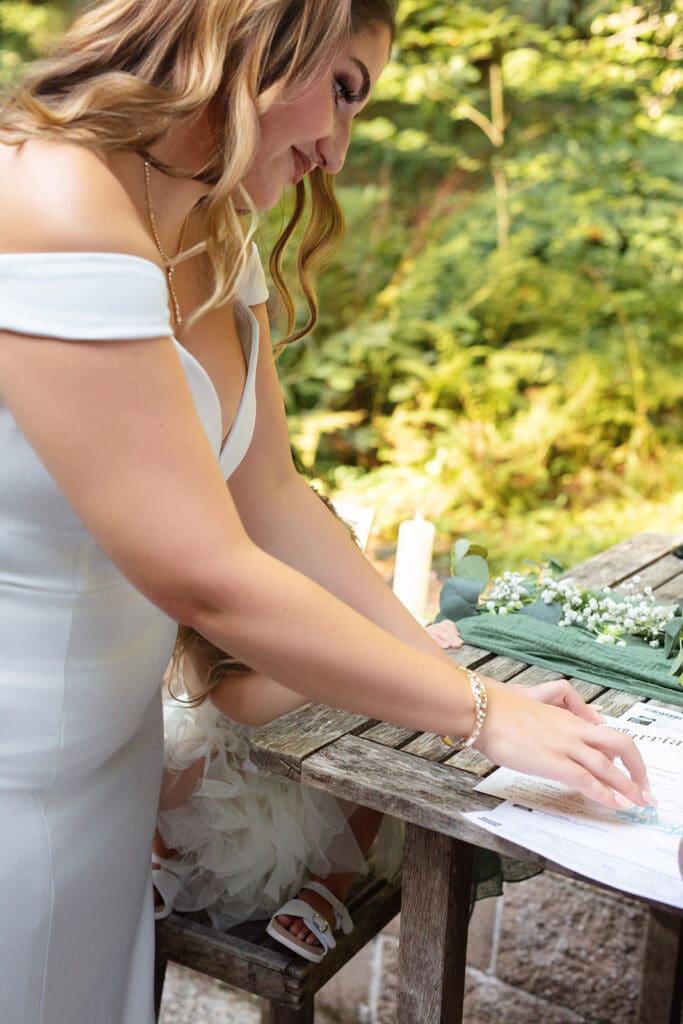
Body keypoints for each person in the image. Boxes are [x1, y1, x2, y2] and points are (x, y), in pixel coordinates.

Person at [0, 1, 652, 1021]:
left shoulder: (213, 233)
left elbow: (271, 502)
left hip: (102, 779)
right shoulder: (50, 202)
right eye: (340, 88)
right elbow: (203, 571)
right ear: (252, 32)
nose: (336, 151)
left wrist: (456, 679)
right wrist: (483, 718)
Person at [153, 491, 463, 961]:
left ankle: (329, 883)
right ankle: (169, 858)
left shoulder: (338, 625)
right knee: (162, 756)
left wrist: (409, 644)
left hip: (307, 794)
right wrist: (372, 652)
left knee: (370, 743)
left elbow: (382, 651)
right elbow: (247, 707)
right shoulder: (201, 637)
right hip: (224, 789)